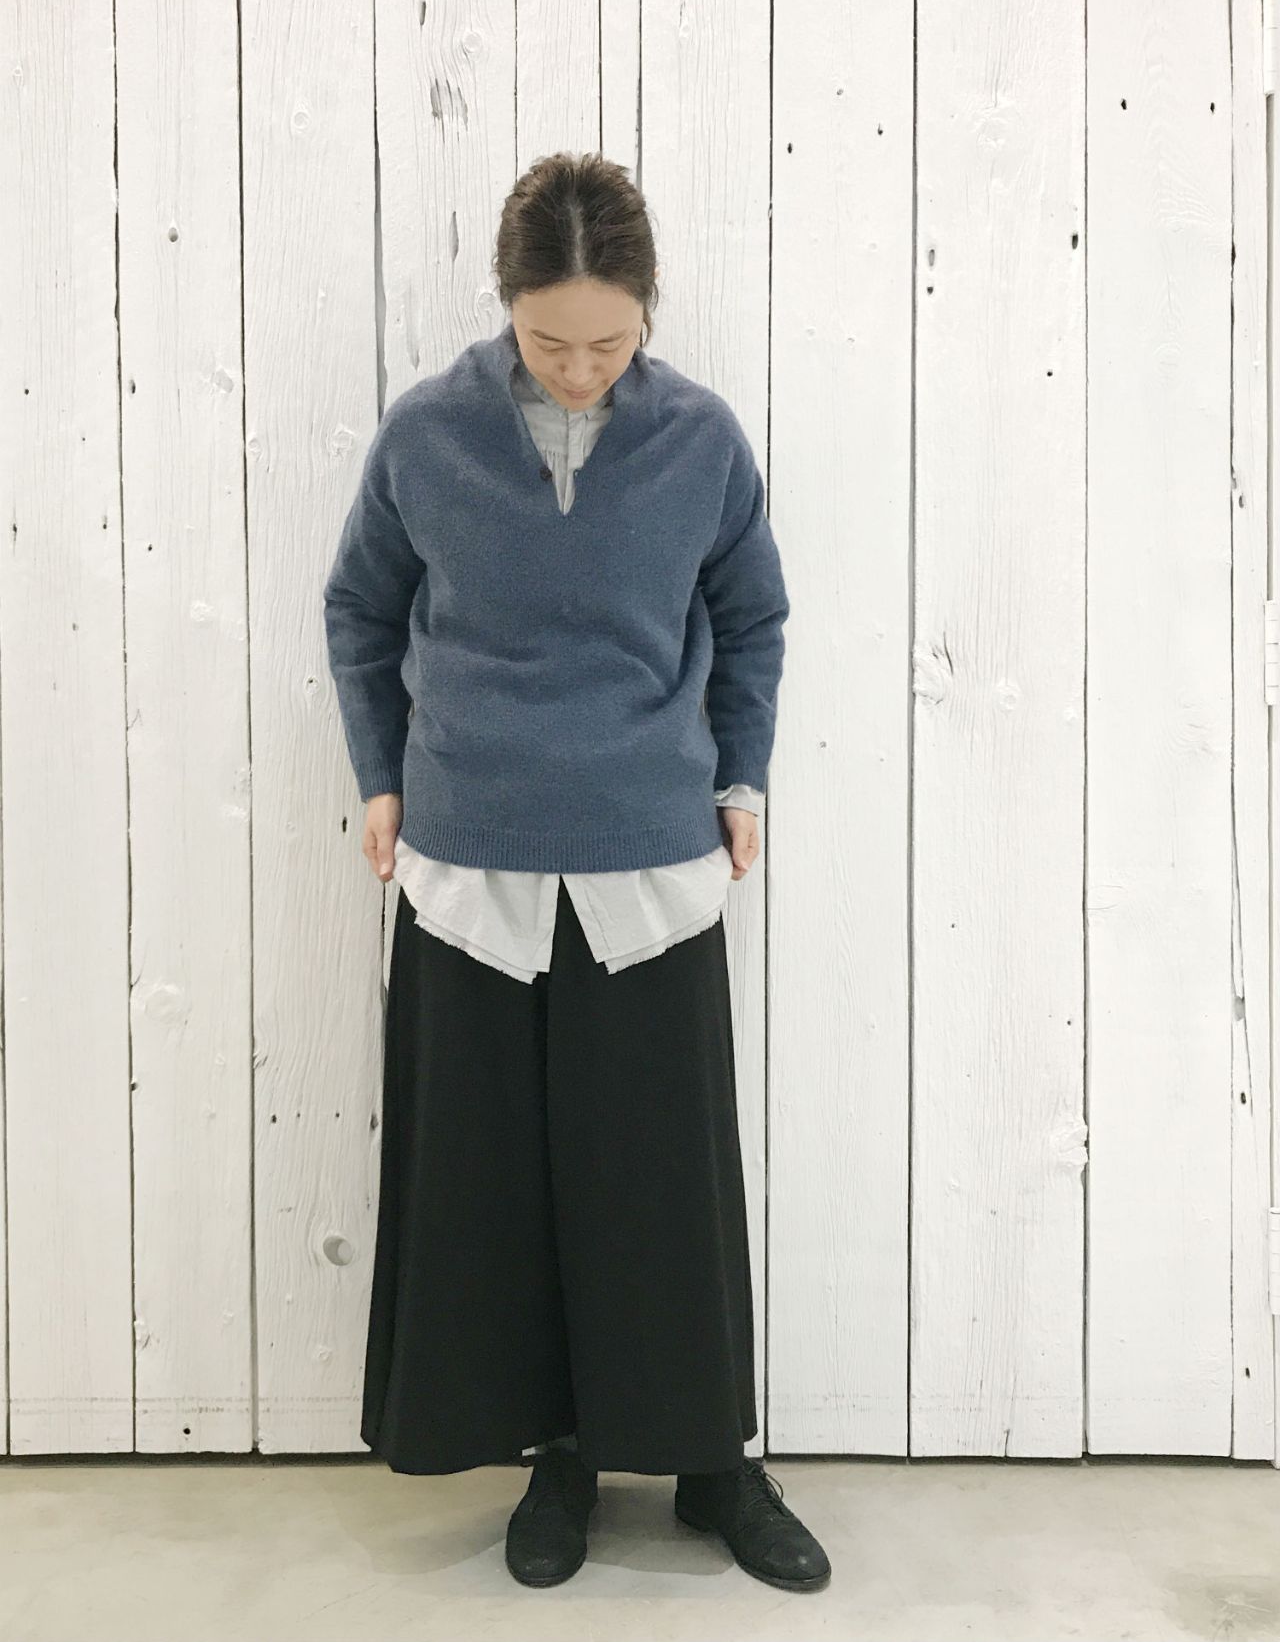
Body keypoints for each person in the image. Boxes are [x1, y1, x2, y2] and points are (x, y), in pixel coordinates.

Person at [322, 150, 831, 1595]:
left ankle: (713, 1461)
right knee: (499, 1184)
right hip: (469, 865)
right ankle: (559, 1457)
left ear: (647, 313)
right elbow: (361, 609)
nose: (581, 367)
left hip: (647, 862)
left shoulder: (702, 442)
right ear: (508, 307)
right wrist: (378, 776)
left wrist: (740, 777)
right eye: (552, 341)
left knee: (665, 1185)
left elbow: (753, 615)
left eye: (610, 342)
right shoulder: (427, 437)